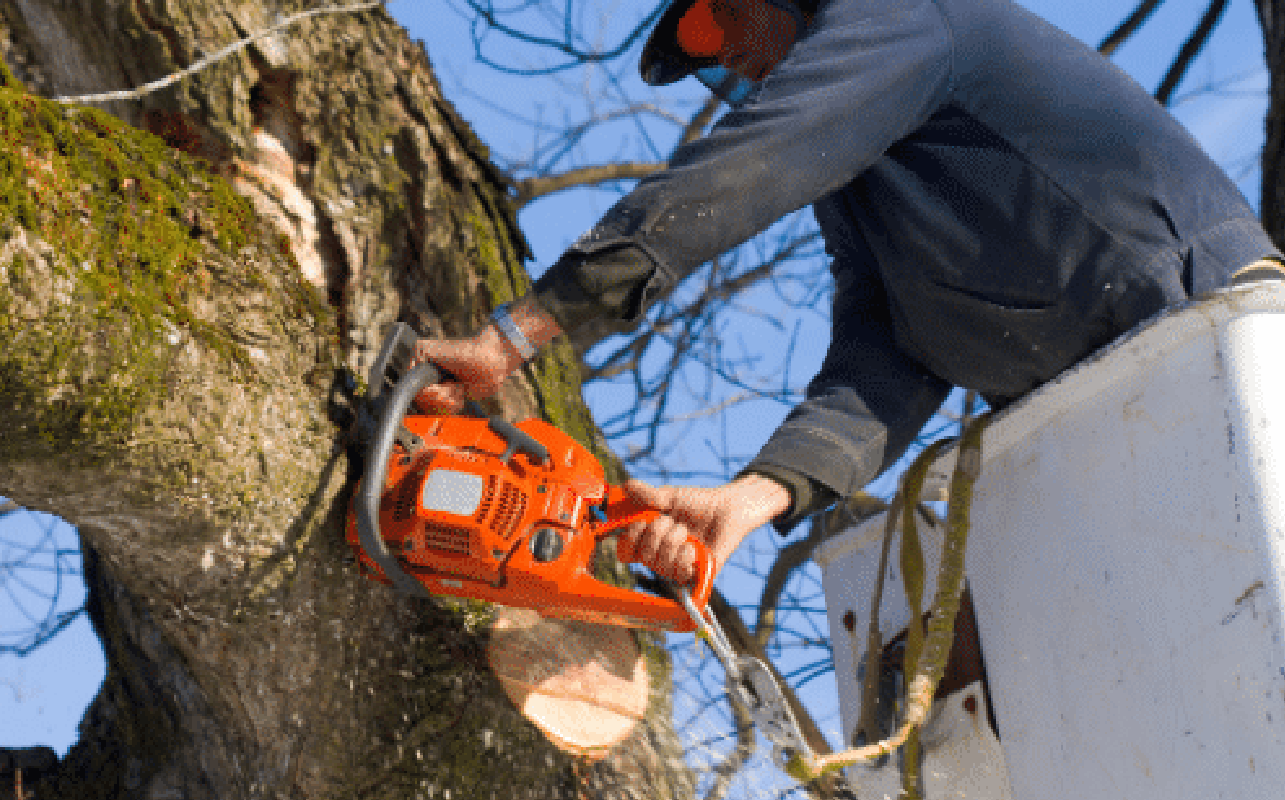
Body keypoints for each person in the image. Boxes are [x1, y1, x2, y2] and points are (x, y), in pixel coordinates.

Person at [414, 0, 1284, 584]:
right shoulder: (862, 176)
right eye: (711, 53)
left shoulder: (906, 17)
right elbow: (889, 349)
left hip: (1210, 334)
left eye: (725, 16)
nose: (737, 58)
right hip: (1097, 416)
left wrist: (519, 333)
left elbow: (750, 164)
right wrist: (756, 496)